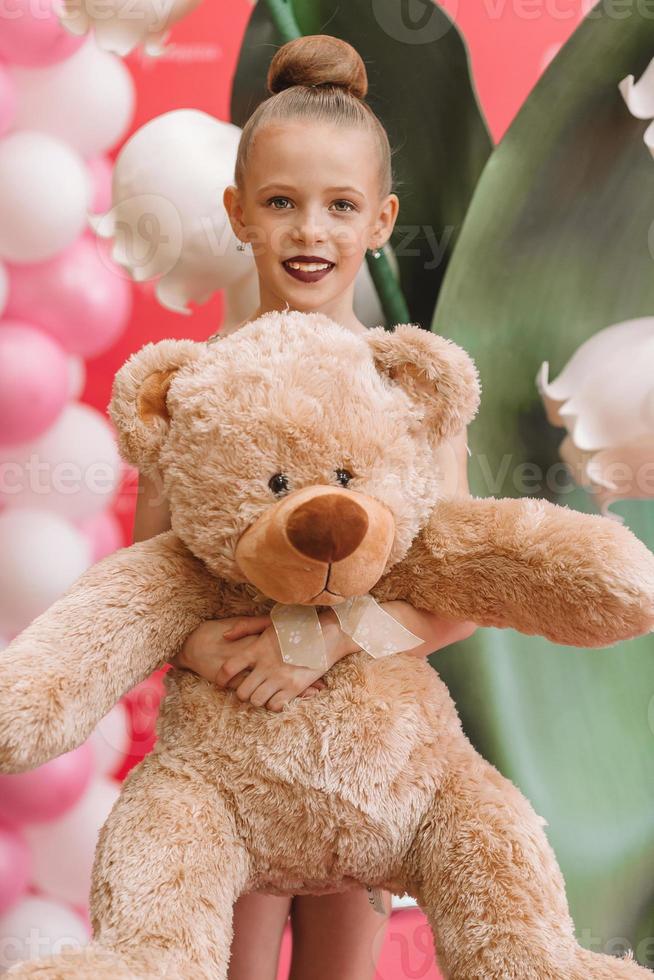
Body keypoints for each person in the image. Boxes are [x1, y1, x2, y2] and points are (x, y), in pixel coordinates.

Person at [131, 33, 477, 980]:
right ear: (238, 212)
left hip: (363, 756)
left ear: (381, 220)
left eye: (340, 206)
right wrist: (203, 649)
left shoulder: (411, 386)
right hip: (232, 754)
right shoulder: (199, 388)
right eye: (280, 203)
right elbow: (148, 575)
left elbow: (461, 595)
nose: (309, 231)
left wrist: (324, 640)